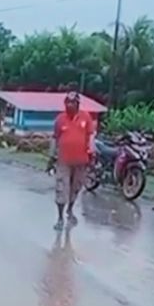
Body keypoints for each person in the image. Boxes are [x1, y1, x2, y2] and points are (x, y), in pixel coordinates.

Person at [47, 92, 96, 230]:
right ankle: (60, 218)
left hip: (81, 161)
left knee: (75, 188)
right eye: (67, 102)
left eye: (73, 102)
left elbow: (91, 136)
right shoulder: (60, 119)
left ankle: (70, 210)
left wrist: (92, 153)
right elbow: (54, 139)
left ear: (78, 104)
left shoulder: (86, 117)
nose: (70, 104)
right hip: (64, 161)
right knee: (62, 188)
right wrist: (51, 157)